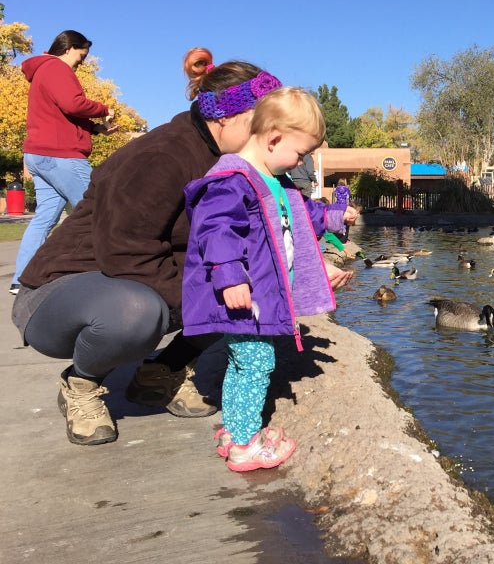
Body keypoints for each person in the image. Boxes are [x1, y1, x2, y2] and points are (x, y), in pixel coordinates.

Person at [11, 50, 355, 446]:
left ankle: (161, 372)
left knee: (242, 291)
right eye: (261, 123)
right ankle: (82, 383)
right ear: (227, 117)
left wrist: (309, 261)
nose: (268, 133)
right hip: (64, 293)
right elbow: (127, 255)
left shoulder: (247, 160)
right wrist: (216, 295)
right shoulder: (161, 156)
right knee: (146, 310)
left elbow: (283, 222)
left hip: (130, 281)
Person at [182, 87, 354, 472]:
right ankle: (246, 443)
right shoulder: (233, 179)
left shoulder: (273, 180)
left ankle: (235, 430)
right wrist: (229, 277)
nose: (301, 162)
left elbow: (302, 217)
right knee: (256, 363)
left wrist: (336, 218)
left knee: (242, 361)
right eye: (300, 153)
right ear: (274, 138)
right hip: (244, 294)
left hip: (256, 293)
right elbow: (216, 228)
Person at [10, 30, 116, 296]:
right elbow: (73, 104)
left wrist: (95, 129)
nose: (82, 62)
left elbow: (61, 114)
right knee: (99, 209)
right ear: (69, 48)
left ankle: (22, 278)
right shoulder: (56, 68)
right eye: (81, 56)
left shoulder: (43, 71)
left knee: (45, 217)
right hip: (61, 155)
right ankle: (107, 272)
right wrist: (104, 109)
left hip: (38, 154)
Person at [333, 177, 352, 243]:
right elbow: (348, 197)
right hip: (345, 207)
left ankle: (337, 237)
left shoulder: (337, 189)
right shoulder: (347, 189)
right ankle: (344, 238)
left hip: (338, 206)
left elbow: (335, 196)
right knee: (346, 222)